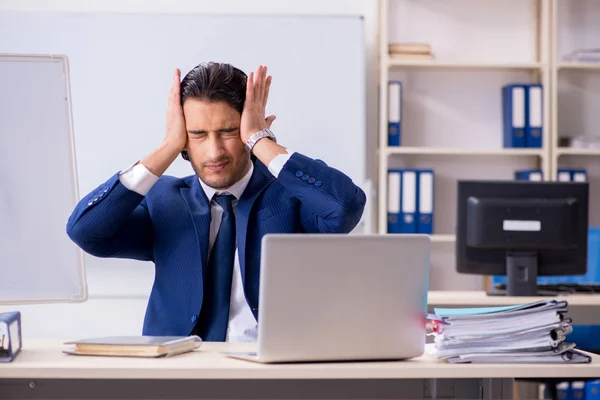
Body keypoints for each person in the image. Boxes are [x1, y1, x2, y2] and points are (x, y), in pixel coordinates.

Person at [66, 62, 366, 342]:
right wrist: (168, 147)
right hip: (178, 375)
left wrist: (260, 140)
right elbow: (86, 232)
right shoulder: (164, 200)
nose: (214, 152)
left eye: (229, 132)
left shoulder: (290, 195)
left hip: (269, 373)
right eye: (197, 134)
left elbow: (343, 209)